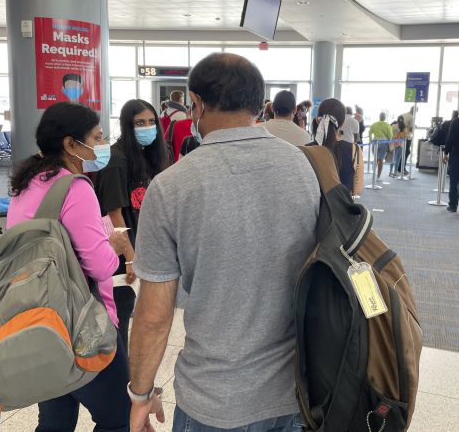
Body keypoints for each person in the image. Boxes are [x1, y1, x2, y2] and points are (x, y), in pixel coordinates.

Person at [127, 53, 320, 432]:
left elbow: (154, 315)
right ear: (259, 105)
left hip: (214, 399)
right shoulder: (305, 166)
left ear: (195, 103)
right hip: (295, 390)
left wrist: (141, 394)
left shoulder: (170, 187)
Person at [6, 102, 131, 432]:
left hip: (42, 321)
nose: (102, 144)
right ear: (71, 144)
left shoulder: (26, 183)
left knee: (55, 421)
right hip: (85, 326)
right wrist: (115, 245)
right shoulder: (75, 188)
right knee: (118, 420)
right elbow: (100, 267)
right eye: (97, 137)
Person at [94, 99, 169, 354]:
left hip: (140, 246)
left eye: (151, 122)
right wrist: (129, 257)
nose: (147, 127)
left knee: (134, 312)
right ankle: (119, 372)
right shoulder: (116, 159)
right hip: (121, 251)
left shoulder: (148, 156)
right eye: (140, 123)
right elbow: (114, 212)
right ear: (128, 125)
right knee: (120, 315)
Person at [312, 98, 364, 196]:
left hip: (312, 204)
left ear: (318, 120)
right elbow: (357, 190)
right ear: (343, 123)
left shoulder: (306, 149)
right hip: (342, 204)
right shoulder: (355, 150)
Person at [369, 112, 393, 179]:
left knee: (375, 159)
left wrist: (371, 140)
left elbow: (369, 133)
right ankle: (378, 176)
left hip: (375, 142)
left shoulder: (374, 124)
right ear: (385, 117)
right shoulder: (387, 125)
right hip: (384, 143)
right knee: (381, 160)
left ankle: (373, 174)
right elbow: (390, 136)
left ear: (379, 117)